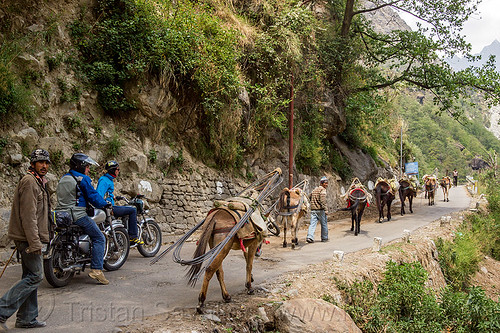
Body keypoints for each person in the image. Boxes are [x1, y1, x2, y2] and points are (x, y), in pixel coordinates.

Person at [0, 149, 51, 329]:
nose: (44, 165)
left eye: (46, 162)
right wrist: (35, 242)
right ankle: (2, 310)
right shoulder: (30, 182)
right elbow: (28, 216)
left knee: (30, 275)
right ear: (32, 164)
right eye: (40, 162)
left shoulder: (38, 181)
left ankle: (27, 318)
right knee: (36, 276)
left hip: (29, 237)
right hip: (29, 239)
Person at [55, 153, 111, 285]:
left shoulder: (64, 178)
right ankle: (97, 270)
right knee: (99, 238)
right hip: (77, 215)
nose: (88, 169)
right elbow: (93, 196)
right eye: (87, 166)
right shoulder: (82, 179)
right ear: (80, 166)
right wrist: (104, 204)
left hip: (61, 215)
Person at [96, 161, 143, 245]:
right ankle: (132, 237)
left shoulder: (107, 179)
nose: (118, 171)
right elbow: (99, 195)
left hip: (108, 207)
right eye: (117, 169)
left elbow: (106, 193)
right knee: (132, 210)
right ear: (113, 170)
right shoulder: (104, 180)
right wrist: (107, 203)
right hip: (108, 209)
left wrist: (113, 196)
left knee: (125, 209)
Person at [306, 176, 328, 243]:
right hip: (320, 210)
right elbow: (323, 200)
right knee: (324, 224)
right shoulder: (323, 190)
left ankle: (310, 237)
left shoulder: (314, 190)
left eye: (327, 183)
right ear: (321, 183)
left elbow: (309, 196)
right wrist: (326, 209)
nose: (327, 184)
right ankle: (324, 238)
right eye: (325, 183)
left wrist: (312, 203)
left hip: (313, 210)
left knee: (312, 224)